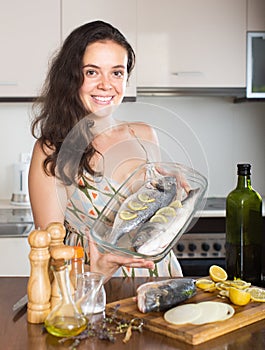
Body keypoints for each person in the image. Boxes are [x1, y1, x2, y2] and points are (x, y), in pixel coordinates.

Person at [29, 20, 183, 281]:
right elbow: (49, 256)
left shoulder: (144, 134)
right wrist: (96, 273)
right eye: (92, 72)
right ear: (71, 77)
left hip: (160, 277)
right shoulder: (51, 150)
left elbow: (155, 224)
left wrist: (175, 197)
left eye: (117, 72)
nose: (106, 84)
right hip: (96, 289)